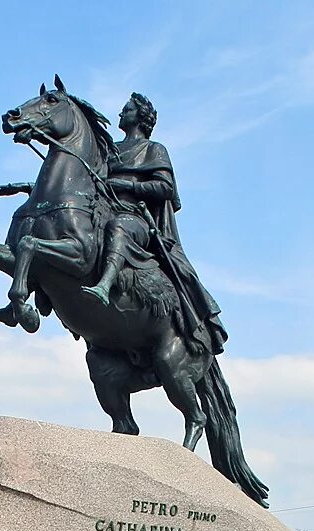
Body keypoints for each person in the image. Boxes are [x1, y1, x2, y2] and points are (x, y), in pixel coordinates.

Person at [80, 92, 226, 355]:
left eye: (127, 109)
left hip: (135, 219)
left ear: (141, 117)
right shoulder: (110, 149)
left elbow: (165, 187)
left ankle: (104, 285)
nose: (121, 113)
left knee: (119, 228)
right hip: (103, 211)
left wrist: (124, 184)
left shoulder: (153, 149)